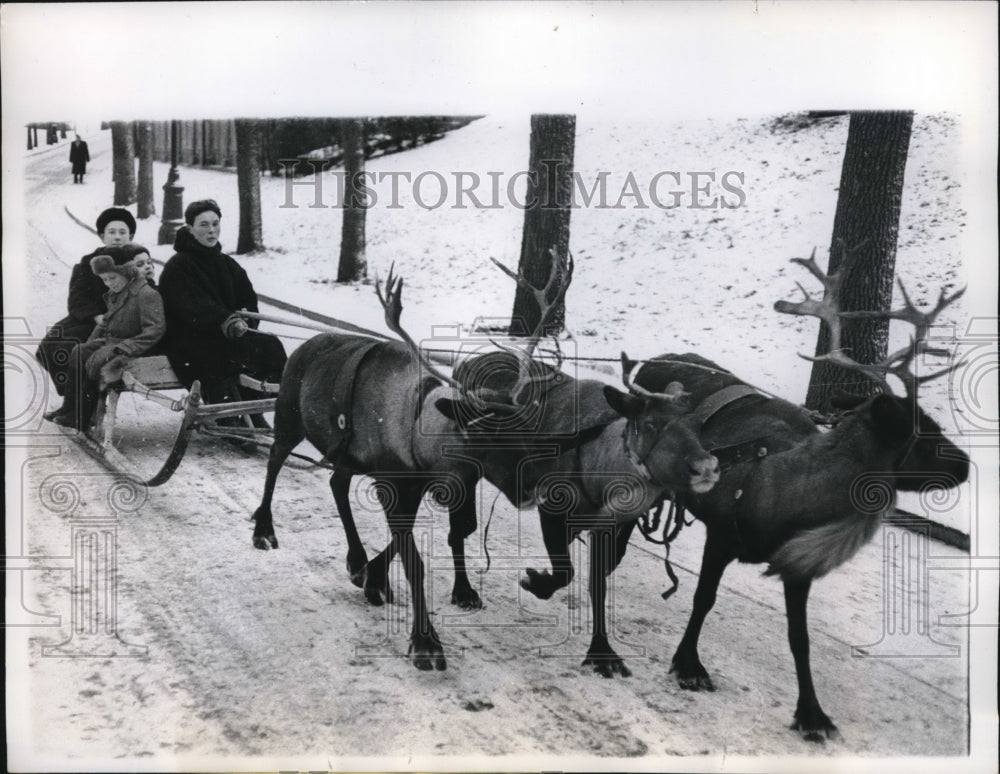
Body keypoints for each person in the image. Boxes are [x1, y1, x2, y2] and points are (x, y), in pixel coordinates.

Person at [158, 200, 286, 426]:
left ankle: (254, 408)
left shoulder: (227, 263)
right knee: (216, 355)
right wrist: (225, 320)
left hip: (228, 332)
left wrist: (246, 317)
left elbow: (247, 297)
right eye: (204, 225)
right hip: (190, 337)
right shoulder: (177, 267)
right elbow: (192, 306)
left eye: (215, 224)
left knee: (269, 345)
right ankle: (224, 413)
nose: (211, 230)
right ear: (190, 229)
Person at [45, 253, 166, 432]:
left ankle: (81, 416)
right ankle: (68, 407)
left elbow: (155, 330)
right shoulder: (117, 293)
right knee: (79, 350)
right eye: (105, 280)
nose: (109, 283)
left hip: (135, 347)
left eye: (112, 278)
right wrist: (91, 343)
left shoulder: (146, 294)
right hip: (114, 342)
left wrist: (123, 347)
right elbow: (106, 322)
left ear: (126, 273)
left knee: (99, 358)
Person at [36, 208, 138, 397]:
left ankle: (83, 398)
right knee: (49, 347)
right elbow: (78, 297)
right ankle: (73, 395)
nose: (117, 237)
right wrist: (96, 316)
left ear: (130, 236)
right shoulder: (88, 263)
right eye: (112, 232)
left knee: (71, 349)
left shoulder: (137, 261)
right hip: (92, 319)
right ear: (102, 236)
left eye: (122, 232)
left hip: (122, 324)